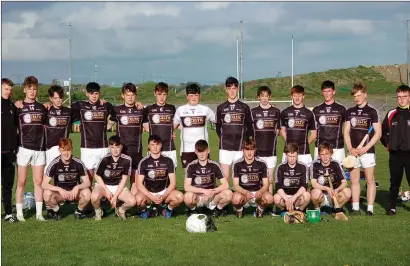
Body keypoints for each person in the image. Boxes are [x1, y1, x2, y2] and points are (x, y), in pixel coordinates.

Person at [343, 82, 381, 216]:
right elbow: (346, 132)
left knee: (370, 180)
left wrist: (365, 148)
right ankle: (355, 208)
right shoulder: (350, 111)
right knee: (354, 180)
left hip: (368, 152)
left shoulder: (372, 111)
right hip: (353, 152)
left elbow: (378, 133)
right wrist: (350, 148)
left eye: (359, 95)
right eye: (355, 96)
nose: (357, 98)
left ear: (365, 94)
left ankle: (370, 208)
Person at [15, 76, 47, 222]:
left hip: (40, 150)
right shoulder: (19, 107)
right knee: (21, 182)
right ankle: (20, 214)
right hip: (23, 149)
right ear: (24, 89)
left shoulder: (42, 108)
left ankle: (39, 214)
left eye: (34, 89)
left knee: (38, 181)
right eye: (30, 89)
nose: (32, 91)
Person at [70, 82, 116, 182]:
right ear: (86, 93)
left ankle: (102, 197)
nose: (94, 96)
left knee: (103, 176)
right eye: (91, 93)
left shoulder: (106, 106)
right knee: (88, 178)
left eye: (96, 93)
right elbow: (65, 110)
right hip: (87, 148)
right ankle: (88, 196)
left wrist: (108, 126)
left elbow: (115, 114)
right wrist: (48, 104)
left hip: (103, 147)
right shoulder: (80, 106)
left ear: (99, 93)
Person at [108, 83, 146, 194]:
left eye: (132, 95)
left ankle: (132, 204)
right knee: (119, 180)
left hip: (136, 150)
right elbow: (108, 126)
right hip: (121, 151)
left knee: (134, 182)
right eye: (127, 94)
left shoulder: (141, 111)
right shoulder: (117, 110)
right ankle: (119, 203)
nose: (130, 97)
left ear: (136, 96)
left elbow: (149, 128)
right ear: (122, 96)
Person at [135, 135, 184, 219]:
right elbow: (139, 184)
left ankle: (168, 210)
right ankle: (145, 211)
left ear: (161, 145)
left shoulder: (168, 160)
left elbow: (173, 183)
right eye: (152, 145)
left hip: (163, 192)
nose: (155, 147)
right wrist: (152, 198)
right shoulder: (143, 162)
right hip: (149, 193)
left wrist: (163, 197)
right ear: (148, 146)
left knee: (180, 197)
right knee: (138, 199)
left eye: (157, 144)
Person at [42, 138, 91, 220]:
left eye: (68, 150)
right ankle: (58, 212)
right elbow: (44, 184)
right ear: (59, 150)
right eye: (63, 150)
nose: (66, 153)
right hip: (60, 194)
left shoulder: (78, 162)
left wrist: (77, 187)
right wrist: (59, 189)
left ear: (72, 149)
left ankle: (78, 212)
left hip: (74, 193)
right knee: (46, 194)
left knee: (87, 193)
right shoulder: (54, 163)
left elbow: (87, 183)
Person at [216, 76, 254, 181]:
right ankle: (226, 197)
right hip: (225, 148)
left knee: (241, 178)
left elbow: (250, 127)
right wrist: (225, 138)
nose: (232, 91)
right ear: (226, 89)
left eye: (234, 88)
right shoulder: (221, 108)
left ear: (237, 89)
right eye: (229, 88)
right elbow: (218, 128)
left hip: (240, 148)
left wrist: (245, 142)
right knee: (225, 178)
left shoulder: (244, 107)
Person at [91, 135, 136, 220]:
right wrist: (107, 191)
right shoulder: (105, 159)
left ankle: (121, 210)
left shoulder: (127, 159)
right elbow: (97, 175)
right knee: (94, 197)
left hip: (118, 186)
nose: (115, 150)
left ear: (121, 147)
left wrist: (115, 196)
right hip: (104, 185)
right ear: (109, 148)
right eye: (112, 147)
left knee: (132, 202)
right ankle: (98, 212)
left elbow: (124, 180)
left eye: (117, 147)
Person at [381, 85, 410, 215]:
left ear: (409, 97)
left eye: (404, 97)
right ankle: (392, 207)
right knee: (395, 182)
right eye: (399, 97)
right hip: (395, 155)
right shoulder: (391, 114)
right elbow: (382, 133)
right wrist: (388, 145)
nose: (402, 99)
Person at [183, 140, 232, 217]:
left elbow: (225, 185)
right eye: (199, 151)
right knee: (187, 196)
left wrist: (212, 192)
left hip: (211, 197)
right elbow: (186, 187)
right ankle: (193, 210)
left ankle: (217, 210)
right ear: (195, 151)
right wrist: (203, 191)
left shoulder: (214, 165)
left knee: (229, 194)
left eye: (204, 151)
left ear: (208, 150)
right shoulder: (191, 166)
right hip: (198, 197)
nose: (202, 154)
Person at [173, 83, 216, 169]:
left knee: (204, 175)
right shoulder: (180, 110)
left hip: (203, 149)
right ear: (187, 96)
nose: (193, 98)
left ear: (199, 96)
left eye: (196, 95)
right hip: (186, 150)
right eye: (191, 95)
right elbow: (173, 125)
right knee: (188, 177)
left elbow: (218, 121)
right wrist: (173, 132)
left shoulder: (205, 109)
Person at [250, 85, 281, 195]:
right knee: (258, 177)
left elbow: (278, 130)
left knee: (270, 178)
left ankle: (270, 202)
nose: (264, 98)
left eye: (266, 96)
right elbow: (249, 131)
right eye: (262, 96)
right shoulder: (253, 112)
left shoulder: (276, 112)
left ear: (270, 97)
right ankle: (258, 201)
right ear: (258, 97)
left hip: (271, 151)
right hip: (257, 151)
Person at [232, 139, 273, 218]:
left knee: (270, 198)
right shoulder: (237, 164)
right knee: (235, 199)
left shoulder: (262, 163)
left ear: (255, 150)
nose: (249, 152)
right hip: (243, 194)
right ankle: (240, 210)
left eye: (251, 149)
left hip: (258, 193)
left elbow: (266, 184)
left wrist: (260, 192)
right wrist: (245, 192)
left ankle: (260, 209)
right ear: (242, 150)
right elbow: (235, 185)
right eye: (247, 149)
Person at [280, 85, 317, 167]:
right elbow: (282, 130)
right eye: (294, 95)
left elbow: (314, 134)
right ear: (291, 96)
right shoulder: (285, 112)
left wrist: (305, 144)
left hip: (304, 153)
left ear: (303, 96)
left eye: (299, 95)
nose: (297, 98)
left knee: (305, 178)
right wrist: (290, 144)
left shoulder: (309, 113)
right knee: (287, 177)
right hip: (288, 151)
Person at [143, 82, 178, 168]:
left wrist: (171, 131)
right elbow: (145, 126)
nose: (162, 97)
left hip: (169, 148)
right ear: (155, 93)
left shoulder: (172, 108)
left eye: (164, 94)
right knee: (153, 177)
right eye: (159, 94)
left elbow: (177, 123)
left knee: (171, 176)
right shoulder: (148, 109)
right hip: (153, 148)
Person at [312, 80, 347, 163]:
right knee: (319, 174)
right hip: (320, 148)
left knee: (337, 174)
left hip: (337, 148)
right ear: (322, 92)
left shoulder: (341, 109)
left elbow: (347, 130)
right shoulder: (316, 109)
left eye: (329, 91)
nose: (327, 94)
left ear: (334, 92)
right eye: (324, 91)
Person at [310, 142, 351, 212]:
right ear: (319, 155)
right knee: (315, 193)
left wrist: (337, 190)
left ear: (331, 153)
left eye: (327, 154)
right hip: (321, 194)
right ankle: (317, 209)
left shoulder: (336, 164)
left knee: (348, 192)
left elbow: (344, 182)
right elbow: (314, 183)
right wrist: (326, 188)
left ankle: (336, 209)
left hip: (334, 194)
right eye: (322, 154)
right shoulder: (315, 164)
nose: (325, 157)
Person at [274, 142, 311, 212]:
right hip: (286, 196)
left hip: (297, 196)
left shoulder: (303, 167)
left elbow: (304, 186)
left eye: (294, 156)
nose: (292, 159)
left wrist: (294, 197)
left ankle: (300, 210)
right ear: (286, 155)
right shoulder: (280, 167)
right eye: (290, 156)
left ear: (297, 155)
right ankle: (284, 210)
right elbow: (278, 187)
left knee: (307, 195)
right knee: (276, 198)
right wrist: (287, 199)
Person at [1, 78, 18, 222]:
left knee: (7, 185)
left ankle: (8, 214)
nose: (8, 91)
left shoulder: (13, 107)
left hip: (9, 153)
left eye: (10, 89)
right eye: (6, 88)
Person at [44, 85, 72, 169]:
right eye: (55, 98)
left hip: (63, 148)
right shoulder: (46, 111)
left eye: (60, 97)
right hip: (49, 149)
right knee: (47, 175)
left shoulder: (69, 112)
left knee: (62, 176)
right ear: (51, 98)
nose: (58, 100)